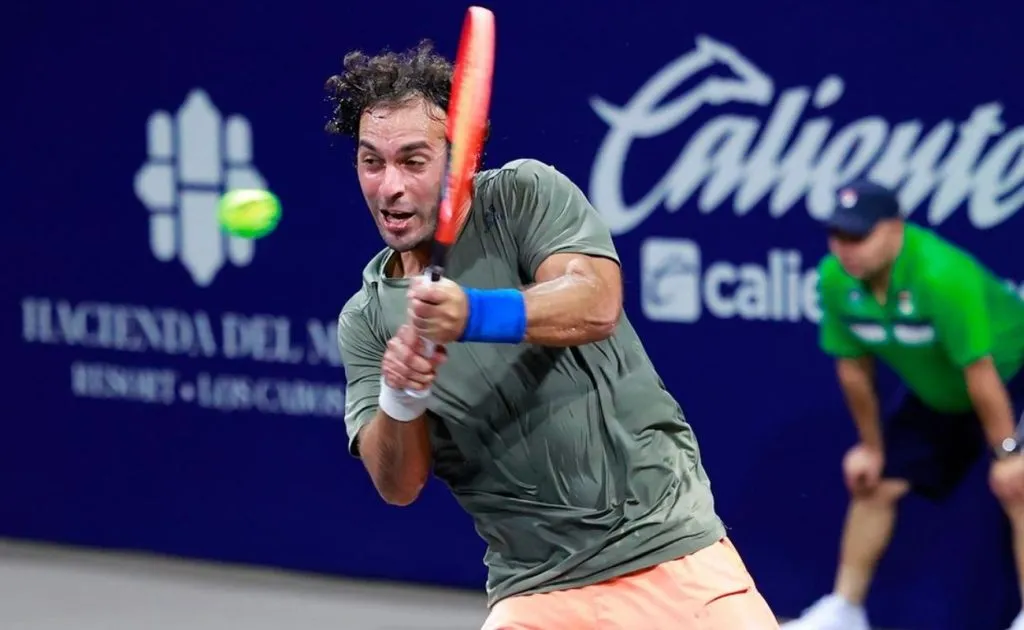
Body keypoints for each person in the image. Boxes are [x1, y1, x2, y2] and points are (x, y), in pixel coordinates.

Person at [326, 40, 779, 630]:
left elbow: (595, 301)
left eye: (413, 160)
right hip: (536, 592)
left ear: (460, 157)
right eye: (371, 161)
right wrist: (402, 395)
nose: (389, 187)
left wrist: (475, 315)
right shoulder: (365, 320)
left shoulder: (521, 196)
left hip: (670, 554)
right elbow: (399, 484)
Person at [782, 181, 1024, 630]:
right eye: (838, 236)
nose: (846, 249)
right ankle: (845, 611)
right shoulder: (835, 279)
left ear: (895, 230)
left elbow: (980, 372)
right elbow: (854, 369)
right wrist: (872, 447)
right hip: (941, 392)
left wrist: (1008, 454)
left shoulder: (941, 275)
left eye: (859, 237)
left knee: (1019, 487)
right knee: (874, 483)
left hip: (1010, 375)